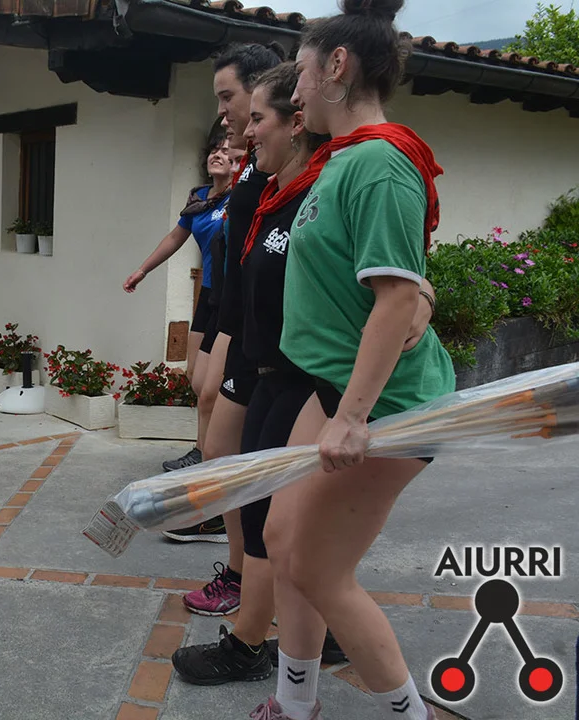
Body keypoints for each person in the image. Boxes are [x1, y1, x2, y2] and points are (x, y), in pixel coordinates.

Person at [257, 2, 454, 718]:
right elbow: (396, 278)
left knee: (318, 568)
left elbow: (396, 296)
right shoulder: (342, 160)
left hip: (388, 405)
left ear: (337, 66)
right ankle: (295, 702)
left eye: (302, 74)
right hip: (332, 385)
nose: (296, 92)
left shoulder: (379, 163)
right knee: (281, 540)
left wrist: (352, 417)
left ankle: (410, 712)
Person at [173, 61, 345, 689]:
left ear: (292, 115)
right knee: (254, 495)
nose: (233, 121)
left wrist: (419, 299)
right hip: (261, 354)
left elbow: (383, 274)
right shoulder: (268, 182)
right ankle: (284, 616)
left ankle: (269, 631)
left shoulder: (322, 184)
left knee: (277, 514)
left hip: (303, 374)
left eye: (240, 107)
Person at [124, 121, 233, 479]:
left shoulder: (241, 198)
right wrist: (143, 270)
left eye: (226, 149)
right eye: (214, 149)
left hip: (232, 297)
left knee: (211, 388)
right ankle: (205, 448)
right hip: (208, 294)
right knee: (195, 378)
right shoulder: (199, 199)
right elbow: (175, 238)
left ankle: (206, 453)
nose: (218, 154)